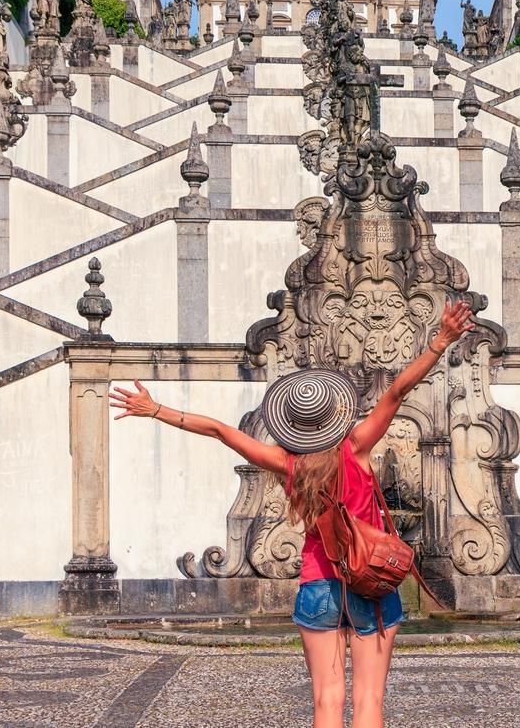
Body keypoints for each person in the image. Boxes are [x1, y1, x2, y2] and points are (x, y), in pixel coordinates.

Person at [110, 299, 473, 728]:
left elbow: (220, 431)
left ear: (293, 426)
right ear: (335, 416)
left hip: (318, 582)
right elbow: (397, 390)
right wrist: (440, 341)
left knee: (326, 700)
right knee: (370, 702)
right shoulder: (355, 447)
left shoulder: (288, 464)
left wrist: (156, 409)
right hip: (370, 581)